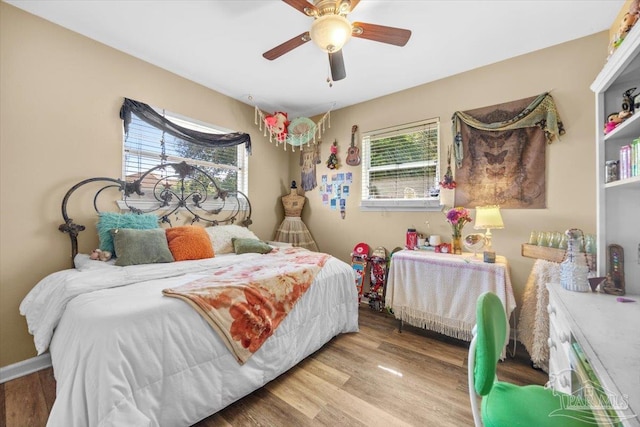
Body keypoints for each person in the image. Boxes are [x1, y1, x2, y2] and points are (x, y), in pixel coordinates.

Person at [273, 181, 319, 251]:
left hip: (298, 223)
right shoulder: (284, 198)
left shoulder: (302, 199)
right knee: (284, 248)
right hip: (286, 223)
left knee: (301, 247)